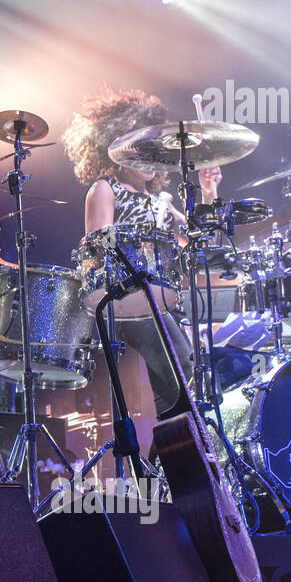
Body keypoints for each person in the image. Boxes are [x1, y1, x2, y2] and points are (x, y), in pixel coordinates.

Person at [61, 87, 222, 417]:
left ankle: (176, 445)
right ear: (119, 149)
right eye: (142, 150)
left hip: (160, 298)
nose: (150, 157)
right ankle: (176, 446)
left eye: (154, 151)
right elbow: (97, 250)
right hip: (126, 297)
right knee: (181, 365)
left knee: (191, 371)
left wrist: (209, 191)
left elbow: (198, 241)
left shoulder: (161, 201)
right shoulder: (106, 189)